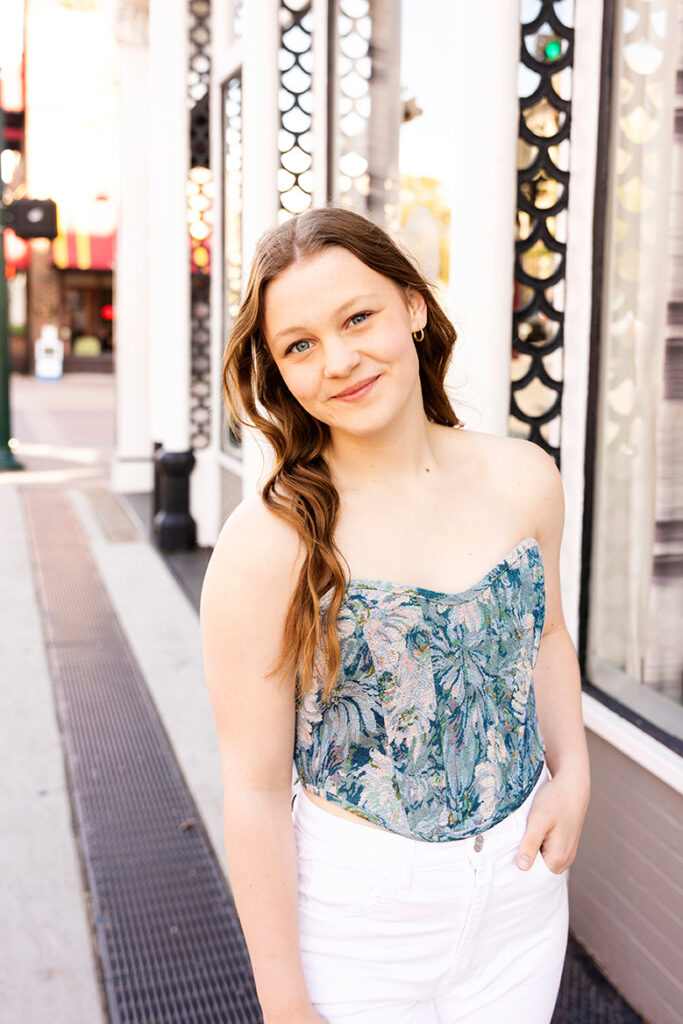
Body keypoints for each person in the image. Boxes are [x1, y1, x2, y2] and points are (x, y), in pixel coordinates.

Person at [200, 206, 591, 1024]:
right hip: (357, 926)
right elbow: (256, 789)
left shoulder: (524, 476)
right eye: (300, 344)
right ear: (277, 371)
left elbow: (546, 637)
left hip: (521, 902)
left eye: (358, 317)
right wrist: (283, 1004)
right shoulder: (268, 542)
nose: (339, 360)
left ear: (412, 307)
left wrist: (574, 771)